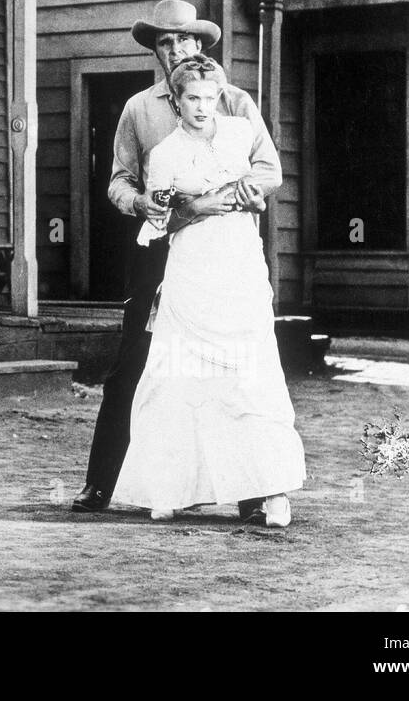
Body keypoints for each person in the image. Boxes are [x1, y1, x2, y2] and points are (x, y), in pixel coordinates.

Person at [70, 0, 278, 517]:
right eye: (165, 42)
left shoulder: (234, 102)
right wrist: (139, 202)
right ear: (155, 51)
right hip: (158, 251)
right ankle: (103, 483)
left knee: (232, 363)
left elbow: (267, 170)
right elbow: (120, 179)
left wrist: (216, 202)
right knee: (136, 363)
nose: (176, 50)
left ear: (201, 45)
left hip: (223, 255)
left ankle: (250, 494)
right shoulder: (139, 109)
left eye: (185, 40)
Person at [112, 56, 305, 525]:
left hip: (238, 266)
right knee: (179, 377)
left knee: (250, 375)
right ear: (176, 103)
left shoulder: (240, 134)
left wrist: (253, 197)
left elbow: (266, 183)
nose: (202, 107)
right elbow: (157, 223)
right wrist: (196, 205)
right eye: (192, 99)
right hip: (191, 272)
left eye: (210, 97)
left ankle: (271, 492)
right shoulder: (163, 156)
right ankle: (170, 487)